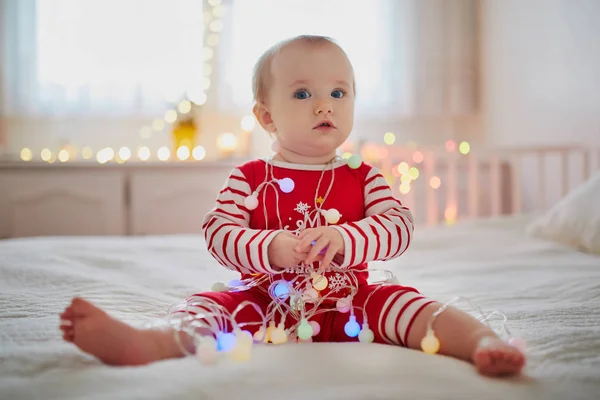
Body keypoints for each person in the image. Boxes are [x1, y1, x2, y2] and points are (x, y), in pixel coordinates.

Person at [59, 35, 525, 377]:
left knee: (415, 309)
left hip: (353, 301)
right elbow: (218, 234)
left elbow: (398, 227)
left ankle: (480, 340)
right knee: (212, 310)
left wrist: (345, 237)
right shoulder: (250, 177)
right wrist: (270, 247)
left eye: (338, 93)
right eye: (303, 93)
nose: (324, 104)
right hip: (266, 300)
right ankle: (148, 343)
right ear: (266, 116)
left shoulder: (362, 174)